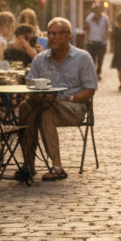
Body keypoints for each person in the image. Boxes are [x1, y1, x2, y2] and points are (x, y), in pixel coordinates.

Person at [14, 17, 97, 183]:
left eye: (60, 33)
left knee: (40, 109)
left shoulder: (82, 57)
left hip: (72, 106)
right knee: (28, 109)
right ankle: (32, 165)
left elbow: (90, 89)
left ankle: (51, 167)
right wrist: (36, 93)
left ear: (69, 36)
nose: (54, 37)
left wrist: (71, 98)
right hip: (45, 107)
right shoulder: (40, 59)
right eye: (51, 33)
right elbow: (30, 84)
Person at [84, 4, 110, 79]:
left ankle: (98, 72)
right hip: (91, 41)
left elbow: (107, 28)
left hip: (101, 42)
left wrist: (105, 38)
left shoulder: (104, 18)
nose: (97, 11)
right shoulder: (90, 18)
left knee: (100, 59)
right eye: (95, 9)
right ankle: (93, 73)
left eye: (98, 9)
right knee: (92, 58)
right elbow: (86, 27)